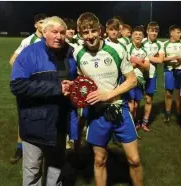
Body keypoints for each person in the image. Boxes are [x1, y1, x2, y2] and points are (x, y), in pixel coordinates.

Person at [73, 12, 143, 186]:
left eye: (93, 31)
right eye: (85, 33)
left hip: (119, 108)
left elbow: (132, 80)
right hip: (97, 114)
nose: (90, 36)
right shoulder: (78, 54)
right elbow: (82, 81)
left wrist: (108, 95)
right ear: (80, 35)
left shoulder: (117, 49)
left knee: (134, 159)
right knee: (99, 160)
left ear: (100, 30)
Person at [10, 16, 78, 186]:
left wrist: (72, 85)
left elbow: (73, 83)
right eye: (54, 32)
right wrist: (56, 88)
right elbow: (17, 86)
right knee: (33, 171)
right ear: (44, 32)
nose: (59, 36)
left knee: (55, 170)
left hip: (59, 124)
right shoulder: (29, 53)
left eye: (62, 32)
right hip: (34, 124)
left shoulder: (70, 54)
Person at [9, 13, 47, 164]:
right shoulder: (28, 41)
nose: (44, 25)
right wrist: (27, 76)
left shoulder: (49, 39)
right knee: (25, 116)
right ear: (36, 25)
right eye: (41, 22)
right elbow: (13, 60)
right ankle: (20, 148)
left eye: (46, 22)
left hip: (46, 85)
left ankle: (45, 147)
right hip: (31, 86)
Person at [138, 22, 164, 131]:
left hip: (152, 75)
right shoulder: (141, 41)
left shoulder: (160, 44)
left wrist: (146, 57)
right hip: (139, 74)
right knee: (137, 100)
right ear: (147, 31)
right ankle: (135, 121)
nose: (154, 33)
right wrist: (152, 58)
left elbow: (161, 60)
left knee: (149, 100)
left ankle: (145, 122)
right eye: (152, 30)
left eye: (156, 31)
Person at [126, 26, 150, 126]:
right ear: (132, 36)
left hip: (140, 79)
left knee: (136, 105)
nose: (138, 36)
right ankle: (128, 126)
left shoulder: (144, 50)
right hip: (129, 79)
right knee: (130, 105)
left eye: (140, 35)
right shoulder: (127, 48)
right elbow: (125, 65)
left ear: (143, 36)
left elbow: (147, 67)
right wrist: (140, 62)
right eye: (135, 34)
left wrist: (135, 61)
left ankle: (133, 124)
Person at [163, 25, 181, 123]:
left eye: (180, 33)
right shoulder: (164, 44)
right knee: (169, 93)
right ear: (171, 33)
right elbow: (162, 58)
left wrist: (179, 60)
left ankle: (179, 114)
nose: (180, 34)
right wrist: (171, 60)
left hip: (180, 70)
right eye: (178, 32)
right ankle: (167, 114)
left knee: (178, 93)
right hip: (168, 70)